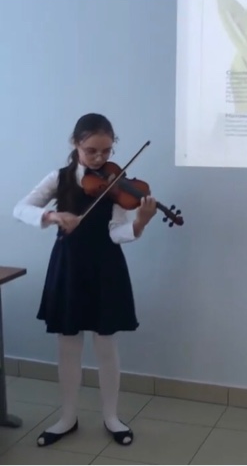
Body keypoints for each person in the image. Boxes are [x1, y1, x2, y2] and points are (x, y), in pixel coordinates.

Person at [13, 113, 157, 447]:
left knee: (106, 344)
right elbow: (20, 208)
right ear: (75, 143)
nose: (99, 158)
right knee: (67, 344)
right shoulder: (59, 178)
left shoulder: (115, 182)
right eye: (91, 150)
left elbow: (117, 231)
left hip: (106, 266)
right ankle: (67, 417)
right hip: (69, 266)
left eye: (106, 150)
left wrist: (140, 223)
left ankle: (111, 417)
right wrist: (51, 215)